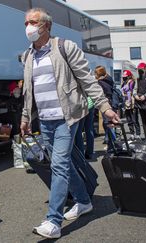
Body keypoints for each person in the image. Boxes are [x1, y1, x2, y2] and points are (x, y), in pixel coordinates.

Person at [20, 8, 119, 239]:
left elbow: (88, 81)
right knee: (63, 164)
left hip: (67, 118)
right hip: (45, 120)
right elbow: (28, 92)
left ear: (46, 26)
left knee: (59, 165)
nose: (28, 27)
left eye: (33, 22)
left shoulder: (65, 47)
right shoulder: (28, 56)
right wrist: (25, 118)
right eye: (26, 22)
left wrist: (105, 107)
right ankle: (84, 201)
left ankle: (53, 221)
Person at [95, 66, 117, 150]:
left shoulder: (101, 82)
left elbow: (106, 92)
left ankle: (113, 144)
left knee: (108, 124)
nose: (95, 74)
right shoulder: (109, 79)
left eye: (95, 73)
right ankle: (110, 142)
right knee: (110, 123)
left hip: (106, 104)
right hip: (112, 103)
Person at [121, 70, 140, 140]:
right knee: (129, 120)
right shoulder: (123, 84)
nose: (124, 78)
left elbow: (133, 91)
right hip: (126, 103)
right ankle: (132, 134)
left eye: (125, 77)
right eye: (123, 77)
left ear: (129, 76)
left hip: (133, 103)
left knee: (135, 119)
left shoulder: (132, 82)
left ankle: (138, 134)